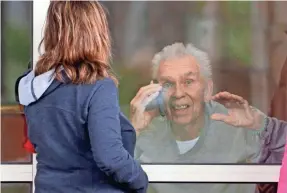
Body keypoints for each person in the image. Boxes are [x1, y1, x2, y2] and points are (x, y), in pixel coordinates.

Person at [15, 2, 148, 193]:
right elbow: (111, 157)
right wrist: (141, 180)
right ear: (96, 32)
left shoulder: (33, 87)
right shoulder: (98, 87)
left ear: (53, 31)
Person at [130, 42, 287, 193]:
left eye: (188, 82)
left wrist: (262, 124)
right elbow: (112, 177)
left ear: (207, 90)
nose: (178, 93)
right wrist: (132, 132)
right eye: (168, 84)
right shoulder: (145, 136)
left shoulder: (237, 127)